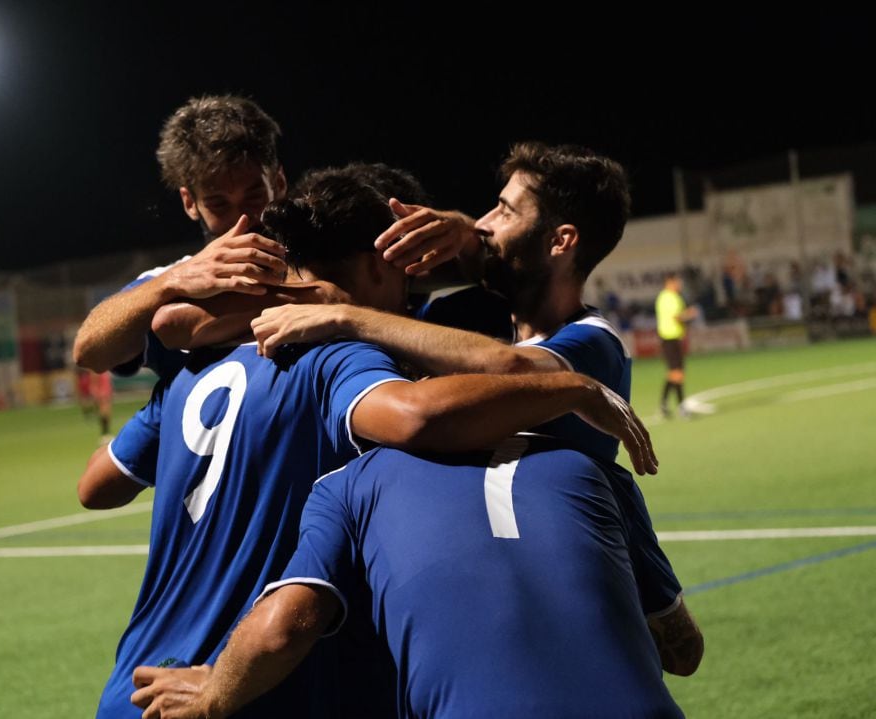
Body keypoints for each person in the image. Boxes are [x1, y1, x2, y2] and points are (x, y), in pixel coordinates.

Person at [82, 173, 656, 718]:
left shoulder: (193, 369)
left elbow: (97, 484)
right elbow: (415, 416)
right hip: (238, 688)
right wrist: (572, 389)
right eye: (408, 273)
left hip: (137, 681)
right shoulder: (341, 356)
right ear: (378, 265)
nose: (412, 294)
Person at [131, 438, 703, 719]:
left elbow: (284, 626)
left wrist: (212, 691)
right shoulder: (596, 468)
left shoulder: (351, 482)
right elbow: (684, 652)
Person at [249, 142, 639, 464]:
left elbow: (515, 368)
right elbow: (391, 294)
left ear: (560, 241)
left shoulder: (594, 343)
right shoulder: (461, 315)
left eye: (506, 212)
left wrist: (345, 315)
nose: (483, 223)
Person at [72, 95, 294, 377]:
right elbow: (88, 352)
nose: (242, 218)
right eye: (218, 204)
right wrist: (171, 282)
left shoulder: (322, 262)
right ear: (190, 203)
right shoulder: (174, 284)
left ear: (279, 183)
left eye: (254, 196)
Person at [655, 271, 697, 418]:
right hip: (669, 339)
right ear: (670, 282)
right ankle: (681, 406)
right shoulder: (668, 297)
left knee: (674, 373)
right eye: (677, 281)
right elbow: (676, 317)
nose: (680, 284)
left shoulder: (671, 296)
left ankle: (664, 405)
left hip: (673, 338)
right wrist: (689, 313)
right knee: (677, 373)